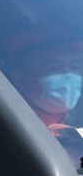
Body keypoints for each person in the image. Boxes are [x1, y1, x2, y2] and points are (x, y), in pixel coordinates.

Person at [5, 30, 83, 166]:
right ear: (20, 77)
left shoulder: (72, 133)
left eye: (74, 67)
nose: (69, 76)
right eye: (54, 68)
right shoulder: (8, 134)